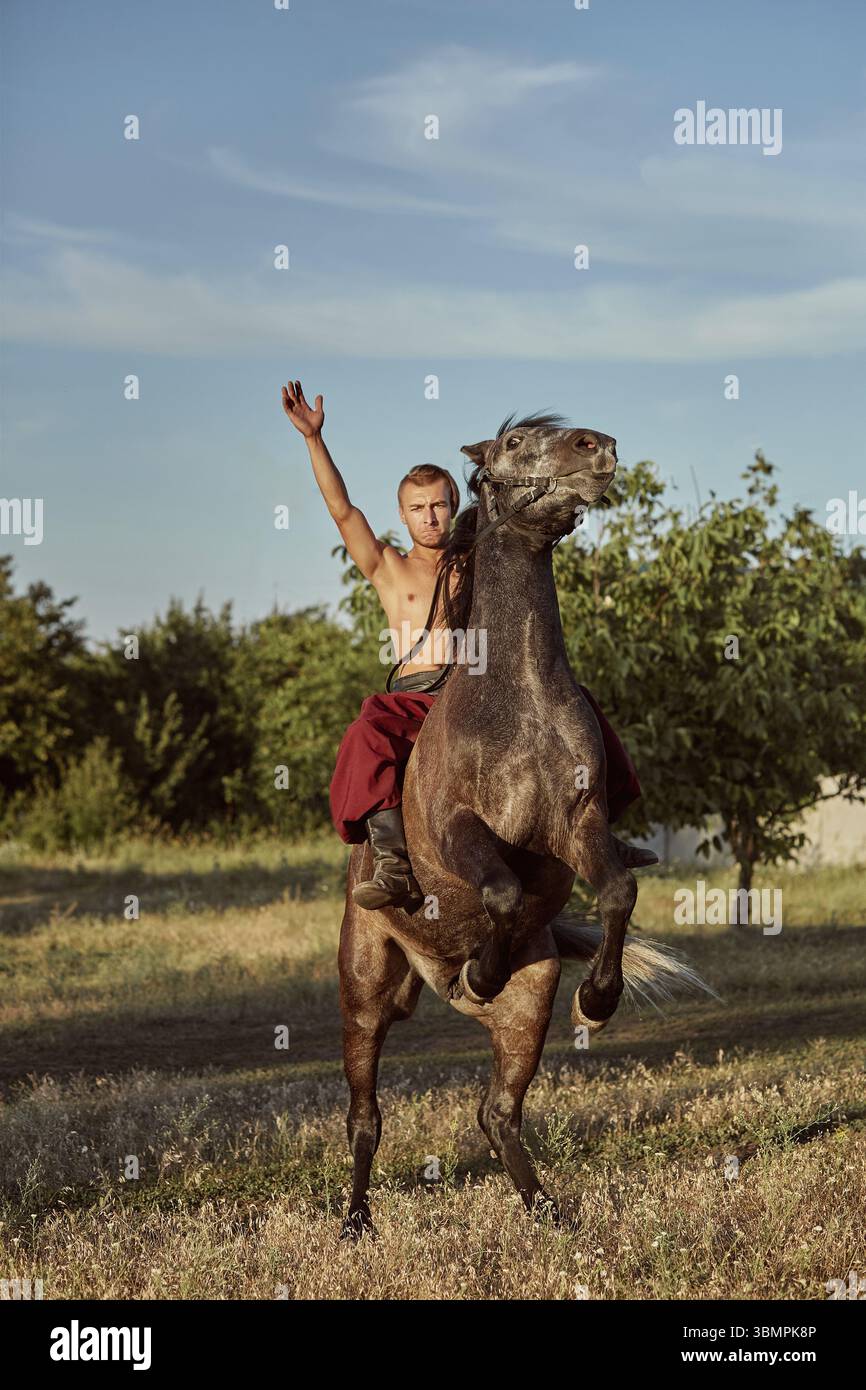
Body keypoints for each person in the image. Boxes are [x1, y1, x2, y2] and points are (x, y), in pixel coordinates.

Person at [281, 379, 656, 912]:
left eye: (438, 505)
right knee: (367, 732)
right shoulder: (386, 567)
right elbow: (342, 511)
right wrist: (314, 440)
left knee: (580, 704)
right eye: (417, 509)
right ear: (403, 516)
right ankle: (392, 861)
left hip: (477, 691)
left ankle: (600, 830)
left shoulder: (476, 557)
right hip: (415, 699)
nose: (430, 517)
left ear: (457, 502)